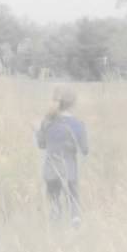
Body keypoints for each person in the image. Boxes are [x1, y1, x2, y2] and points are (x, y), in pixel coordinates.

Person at [35, 85, 89, 228]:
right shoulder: (78, 124)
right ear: (73, 103)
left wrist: (39, 132)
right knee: (73, 200)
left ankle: (54, 227)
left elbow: (41, 145)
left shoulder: (47, 122)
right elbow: (85, 150)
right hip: (69, 171)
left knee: (54, 203)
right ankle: (75, 221)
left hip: (50, 171)